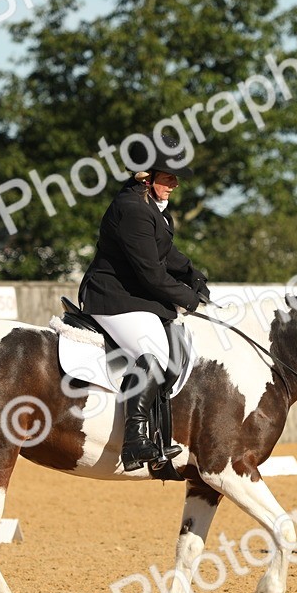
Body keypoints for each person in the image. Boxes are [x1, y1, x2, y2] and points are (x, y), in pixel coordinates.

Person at [77, 136, 210, 471]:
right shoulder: (133, 210)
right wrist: (189, 299)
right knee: (154, 352)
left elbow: (165, 252)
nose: (175, 184)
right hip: (111, 297)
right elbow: (152, 273)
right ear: (146, 177)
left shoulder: (151, 207)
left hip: (133, 295)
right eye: (169, 177)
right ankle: (135, 441)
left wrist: (192, 274)